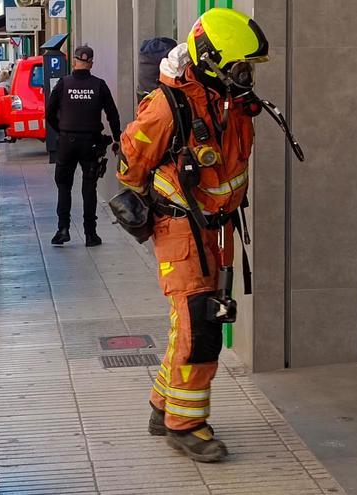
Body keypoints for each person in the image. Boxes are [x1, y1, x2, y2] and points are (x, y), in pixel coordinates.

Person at [116, 8, 269, 462]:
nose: (247, 76)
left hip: (217, 230)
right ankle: (185, 425)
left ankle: (162, 406)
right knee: (199, 327)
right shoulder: (168, 106)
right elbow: (131, 163)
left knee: (193, 322)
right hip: (182, 229)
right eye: (242, 66)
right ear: (211, 59)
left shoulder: (227, 99)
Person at [45, 45, 121, 247]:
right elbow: (112, 113)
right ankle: (90, 234)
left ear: (74, 62)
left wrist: (61, 129)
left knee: (64, 187)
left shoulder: (63, 83)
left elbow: (49, 112)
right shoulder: (99, 85)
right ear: (91, 64)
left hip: (67, 143)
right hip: (91, 143)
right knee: (89, 189)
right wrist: (116, 138)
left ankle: (63, 229)